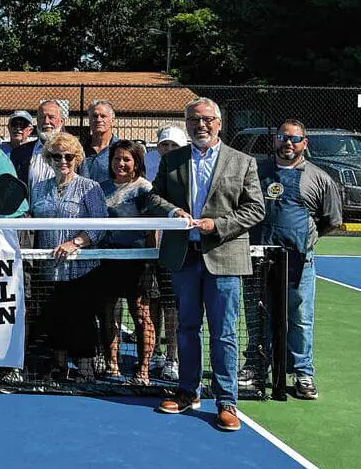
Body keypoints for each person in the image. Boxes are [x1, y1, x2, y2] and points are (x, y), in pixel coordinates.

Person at [146, 97, 265, 432]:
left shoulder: (243, 162)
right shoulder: (172, 161)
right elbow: (153, 197)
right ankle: (188, 392)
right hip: (184, 257)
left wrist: (219, 225)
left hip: (224, 257)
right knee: (186, 327)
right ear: (186, 124)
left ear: (219, 123)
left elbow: (255, 209)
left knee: (224, 332)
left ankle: (226, 402)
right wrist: (173, 213)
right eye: (194, 119)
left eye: (207, 119)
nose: (201, 125)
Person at [250, 119, 343, 400]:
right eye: (282, 137)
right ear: (274, 140)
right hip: (257, 258)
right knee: (257, 316)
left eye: (294, 138)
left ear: (304, 143)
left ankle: (303, 373)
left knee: (300, 318)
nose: (287, 143)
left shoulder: (319, 177)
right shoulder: (255, 171)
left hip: (298, 262)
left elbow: (332, 220)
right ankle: (255, 367)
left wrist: (306, 240)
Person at [29, 133, 108, 381]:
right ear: (48, 160)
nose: (62, 161)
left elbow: (100, 224)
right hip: (48, 268)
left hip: (81, 270)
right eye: (56, 156)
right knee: (54, 317)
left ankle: (85, 370)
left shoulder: (90, 187)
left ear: (77, 159)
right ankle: (59, 366)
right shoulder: (39, 189)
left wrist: (75, 242)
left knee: (81, 318)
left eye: (68, 156)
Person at [96, 140, 157, 384]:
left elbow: (153, 228)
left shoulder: (144, 189)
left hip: (137, 261)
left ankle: (143, 370)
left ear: (136, 163)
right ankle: (112, 365)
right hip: (108, 260)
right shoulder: (101, 188)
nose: (120, 164)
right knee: (107, 313)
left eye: (126, 159)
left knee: (141, 315)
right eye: (117, 159)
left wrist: (151, 259)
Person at [143, 123, 188, 381]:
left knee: (173, 306)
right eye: (164, 145)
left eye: (174, 145)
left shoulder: (187, 172)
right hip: (148, 249)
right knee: (152, 303)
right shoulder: (152, 167)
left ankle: (173, 357)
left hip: (174, 250)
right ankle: (156, 353)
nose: (168, 149)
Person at [25, 99, 69, 190]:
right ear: (37, 121)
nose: (46, 121)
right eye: (42, 117)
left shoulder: (73, 152)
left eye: (51, 117)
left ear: (62, 121)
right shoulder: (21, 152)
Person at [81, 99, 121, 183]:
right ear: (89, 120)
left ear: (112, 120)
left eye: (103, 116)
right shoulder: (79, 149)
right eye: (95, 116)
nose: (98, 120)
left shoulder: (122, 149)